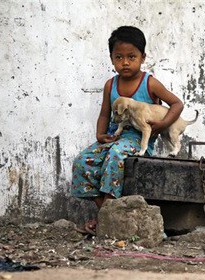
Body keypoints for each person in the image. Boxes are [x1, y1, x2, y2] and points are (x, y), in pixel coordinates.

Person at [71, 26, 184, 233]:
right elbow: (105, 113)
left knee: (115, 156)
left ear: (143, 57)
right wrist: (99, 134)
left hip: (137, 140)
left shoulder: (149, 83)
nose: (125, 62)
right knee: (82, 162)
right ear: (112, 58)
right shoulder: (110, 85)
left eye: (131, 56)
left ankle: (104, 219)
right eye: (119, 57)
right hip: (114, 137)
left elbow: (177, 104)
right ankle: (107, 212)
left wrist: (164, 123)